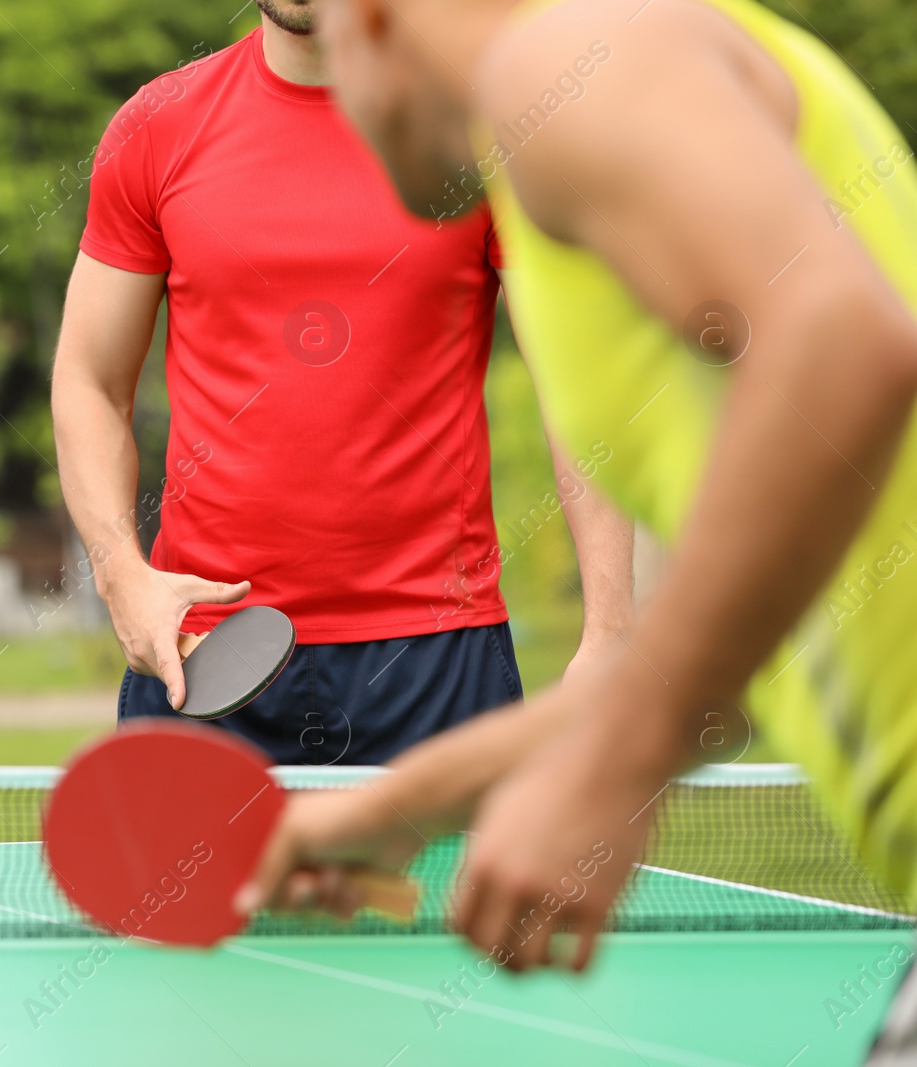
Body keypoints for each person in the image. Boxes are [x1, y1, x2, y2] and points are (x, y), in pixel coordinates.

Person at [242, 0, 917, 1058]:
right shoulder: (598, 131)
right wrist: (399, 807)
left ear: (371, 21)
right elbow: (713, 660)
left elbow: (845, 342)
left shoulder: (568, 58)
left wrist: (610, 772)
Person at [50, 0, 633, 766]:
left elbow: (579, 383)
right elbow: (89, 378)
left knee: (463, 894)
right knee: (181, 892)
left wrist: (612, 632)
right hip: (200, 655)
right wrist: (120, 572)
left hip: (437, 662)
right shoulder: (157, 125)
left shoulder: (484, 128)